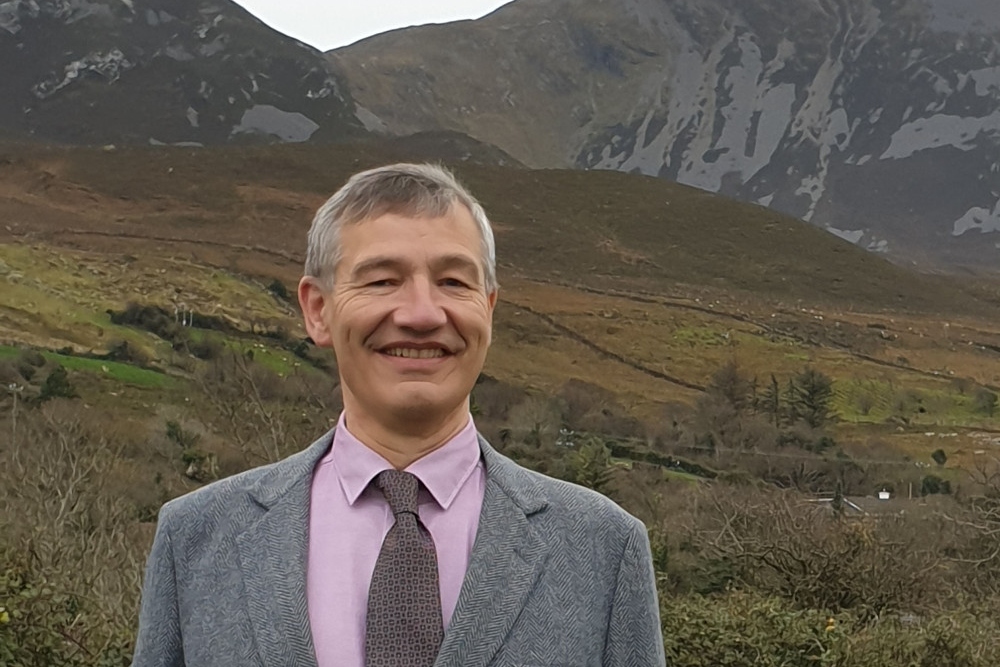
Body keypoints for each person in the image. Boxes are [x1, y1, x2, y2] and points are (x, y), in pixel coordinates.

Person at [131, 163, 665, 667]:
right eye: (382, 280)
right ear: (318, 309)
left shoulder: (603, 548)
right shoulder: (196, 538)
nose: (421, 314)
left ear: (489, 309)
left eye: (454, 282)